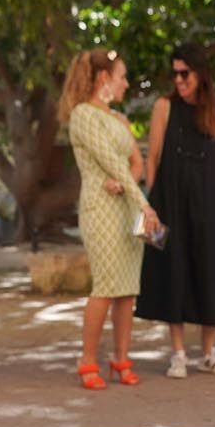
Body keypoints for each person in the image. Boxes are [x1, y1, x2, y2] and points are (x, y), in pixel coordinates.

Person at [60, 47, 160, 390]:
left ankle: (121, 357)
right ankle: (87, 360)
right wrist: (144, 202)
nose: (126, 84)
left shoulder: (119, 120)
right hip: (100, 209)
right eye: (121, 76)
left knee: (127, 290)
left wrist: (127, 186)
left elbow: (135, 162)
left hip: (126, 208)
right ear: (103, 78)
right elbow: (108, 160)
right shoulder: (83, 116)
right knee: (105, 285)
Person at [138, 43, 215, 378]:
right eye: (175, 73)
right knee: (173, 271)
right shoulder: (164, 106)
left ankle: (209, 352)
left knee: (211, 271)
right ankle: (178, 353)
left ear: (200, 73)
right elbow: (152, 158)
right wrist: (152, 204)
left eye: (185, 73)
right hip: (171, 201)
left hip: (209, 202)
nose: (179, 80)